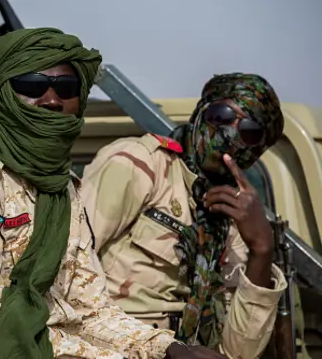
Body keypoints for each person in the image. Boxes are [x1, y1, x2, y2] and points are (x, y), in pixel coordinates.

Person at [0, 27, 226, 359]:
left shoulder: (57, 186)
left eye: (67, 88)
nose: (52, 100)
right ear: (2, 93)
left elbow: (90, 310)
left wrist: (166, 348)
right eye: (31, 85)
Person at [80, 73, 288, 359]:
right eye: (222, 114)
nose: (228, 134)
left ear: (257, 149)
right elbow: (65, 280)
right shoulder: (140, 165)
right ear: (201, 111)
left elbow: (238, 353)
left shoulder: (235, 219)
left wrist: (262, 249)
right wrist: (161, 348)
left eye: (249, 131)